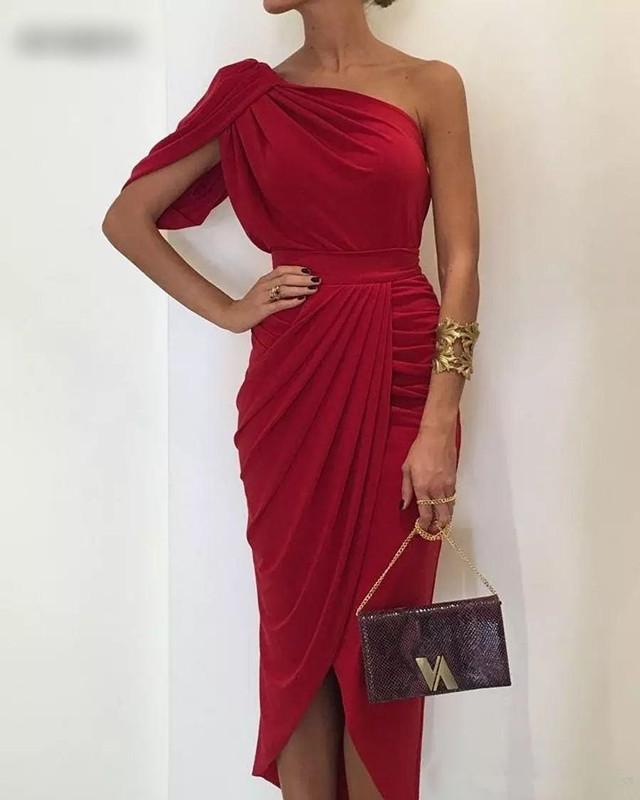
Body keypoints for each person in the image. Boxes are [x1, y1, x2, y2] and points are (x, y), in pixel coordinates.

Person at [102, 0, 480, 797]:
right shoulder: (249, 97)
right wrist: (229, 309)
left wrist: (440, 421)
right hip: (290, 393)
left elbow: (462, 263)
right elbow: (127, 218)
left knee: (392, 647)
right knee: (296, 645)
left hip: (403, 379)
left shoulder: (431, 84)